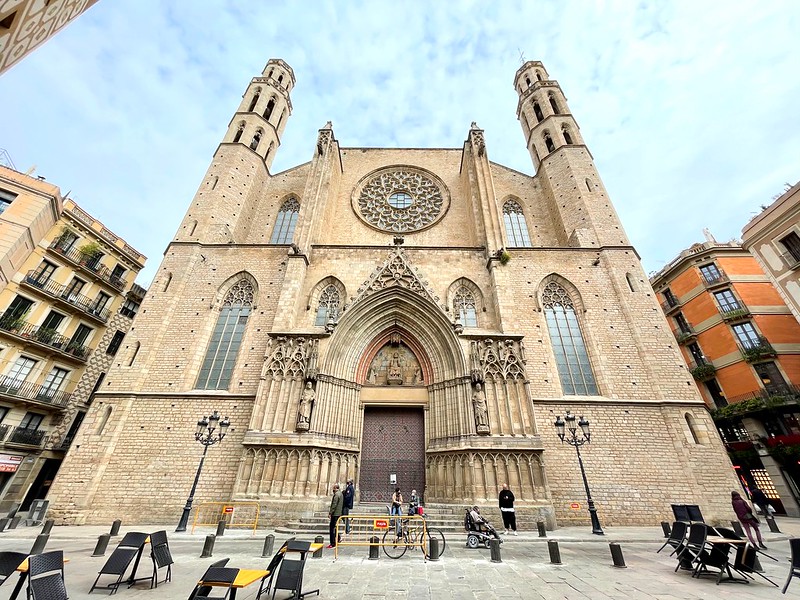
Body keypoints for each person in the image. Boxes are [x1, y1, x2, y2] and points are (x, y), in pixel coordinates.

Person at [328, 483, 343, 548]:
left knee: (332, 528)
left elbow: (334, 504)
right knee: (335, 527)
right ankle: (338, 538)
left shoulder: (336, 495)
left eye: (333, 488)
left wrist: (330, 513)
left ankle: (333, 543)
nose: (332, 489)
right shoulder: (341, 494)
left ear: (335, 488)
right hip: (339, 513)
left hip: (335, 514)